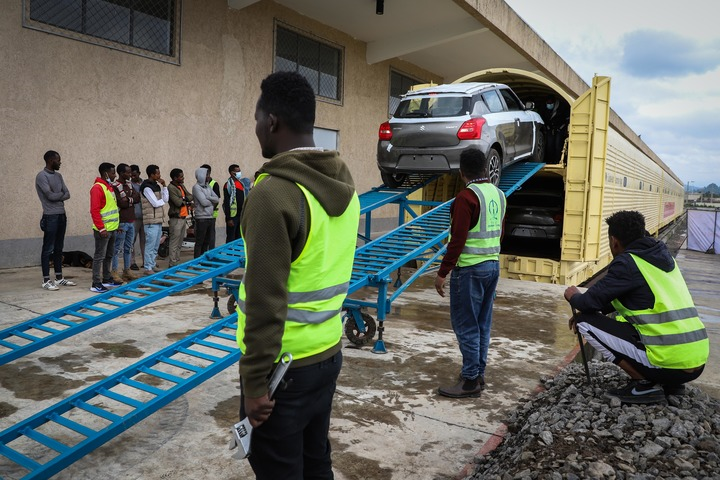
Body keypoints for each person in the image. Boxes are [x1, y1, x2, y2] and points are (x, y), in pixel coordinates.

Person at [237, 71, 360, 479]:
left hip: (281, 373)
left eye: (257, 119)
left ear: (272, 120)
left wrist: (255, 384)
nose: (256, 129)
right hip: (326, 355)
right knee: (314, 462)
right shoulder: (345, 188)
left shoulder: (274, 193)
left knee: (280, 470)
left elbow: (265, 302)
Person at [564, 210, 708, 404]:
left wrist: (573, 296)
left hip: (670, 364)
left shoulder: (627, 263)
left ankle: (644, 385)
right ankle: (671, 385)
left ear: (614, 241)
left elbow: (588, 302)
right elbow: (614, 300)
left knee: (584, 322)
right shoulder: (663, 257)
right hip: (695, 363)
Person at [434, 147, 506, 398]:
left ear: (461, 171)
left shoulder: (466, 198)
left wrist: (443, 272)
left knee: (466, 325)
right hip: (492, 266)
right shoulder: (498, 194)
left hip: (470, 270)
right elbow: (500, 233)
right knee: (482, 323)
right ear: (486, 167)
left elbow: (458, 240)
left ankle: (470, 380)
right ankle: (478, 372)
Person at [35, 150, 76, 290]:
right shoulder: (41, 176)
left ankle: (59, 278)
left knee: (59, 248)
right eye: (58, 160)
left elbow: (68, 194)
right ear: (51, 160)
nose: (60, 162)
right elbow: (50, 196)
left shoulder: (58, 176)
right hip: (50, 216)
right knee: (48, 248)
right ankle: (46, 280)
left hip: (61, 215)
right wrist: (60, 195)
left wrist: (56, 195)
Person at [90, 162, 122, 293]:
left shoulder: (108, 187)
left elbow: (111, 209)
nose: (115, 175)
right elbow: (95, 210)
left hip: (112, 229)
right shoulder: (97, 188)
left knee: (109, 255)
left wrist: (116, 226)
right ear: (105, 173)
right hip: (103, 230)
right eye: (113, 172)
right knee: (99, 256)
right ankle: (96, 283)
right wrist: (102, 229)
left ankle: (106, 278)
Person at [111, 163, 141, 282]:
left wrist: (128, 200)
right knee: (117, 247)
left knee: (129, 247)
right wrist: (131, 200)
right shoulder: (115, 186)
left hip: (131, 220)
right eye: (128, 172)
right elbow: (120, 203)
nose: (130, 175)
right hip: (122, 221)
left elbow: (137, 197)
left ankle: (127, 270)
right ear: (122, 173)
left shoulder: (129, 185)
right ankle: (114, 271)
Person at [140, 164, 168, 275]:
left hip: (158, 219)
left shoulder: (156, 186)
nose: (159, 175)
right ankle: (147, 267)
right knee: (150, 245)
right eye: (157, 173)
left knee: (156, 244)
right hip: (150, 220)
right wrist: (163, 201)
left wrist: (164, 186)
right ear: (151, 174)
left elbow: (166, 198)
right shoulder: (146, 187)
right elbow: (155, 203)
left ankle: (152, 264)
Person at [167, 168, 194, 268]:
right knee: (174, 242)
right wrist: (186, 200)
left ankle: (177, 261)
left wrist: (184, 199)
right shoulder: (171, 188)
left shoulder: (181, 186)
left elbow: (190, 196)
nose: (183, 178)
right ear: (175, 178)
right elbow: (177, 202)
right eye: (181, 176)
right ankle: (172, 263)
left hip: (183, 217)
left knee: (179, 242)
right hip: (176, 218)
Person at [192, 167, 219, 258]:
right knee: (200, 241)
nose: (208, 177)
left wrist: (208, 197)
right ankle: (197, 261)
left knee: (207, 241)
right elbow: (203, 202)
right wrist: (211, 200)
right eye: (206, 175)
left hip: (210, 217)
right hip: (201, 218)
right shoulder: (196, 187)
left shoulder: (208, 186)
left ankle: (204, 261)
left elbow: (217, 199)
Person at [540, 94, 570, 164]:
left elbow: (567, 119)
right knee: (549, 145)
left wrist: (562, 127)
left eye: (550, 103)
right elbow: (542, 118)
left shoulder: (562, 107)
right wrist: (547, 126)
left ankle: (557, 160)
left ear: (554, 102)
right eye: (548, 103)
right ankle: (549, 160)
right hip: (549, 128)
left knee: (558, 145)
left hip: (560, 128)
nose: (549, 104)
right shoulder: (544, 108)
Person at [200, 163, 221, 249]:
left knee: (210, 235)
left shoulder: (214, 184)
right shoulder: (200, 184)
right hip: (201, 214)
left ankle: (211, 253)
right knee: (202, 236)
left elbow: (216, 200)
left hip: (211, 214)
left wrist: (210, 209)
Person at [223, 164, 245, 243]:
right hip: (233, 217)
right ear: (232, 173)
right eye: (238, 171)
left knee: (239, 238)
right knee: (231, 238)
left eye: (239, 171)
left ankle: (237, 255)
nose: (240, 173)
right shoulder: (228, 185)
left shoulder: (240, 183)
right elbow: (226, 202)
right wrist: (229, 218)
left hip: (241, 215)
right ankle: (229, 254)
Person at [130, 164, 145, 270]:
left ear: (139, 173)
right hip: (134, 216)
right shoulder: (129, 185)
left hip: (145, 216)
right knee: (132, 239)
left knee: (145, 240)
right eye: (131, 175)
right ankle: (132, 262)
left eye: (134, 175)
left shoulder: (145, 184)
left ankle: (146, 261)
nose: (133, 177)